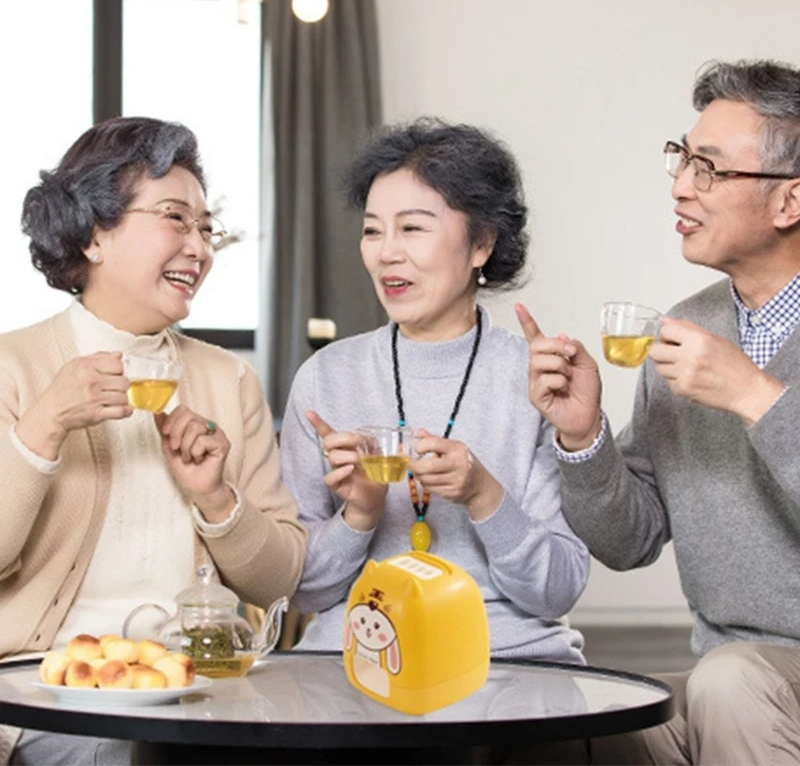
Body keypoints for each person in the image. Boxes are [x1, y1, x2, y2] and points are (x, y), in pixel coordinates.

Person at [518, 58, 800, 764]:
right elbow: (630, 541)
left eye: (710, 168)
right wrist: (583, 437)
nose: (680, 185)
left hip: (742, 685)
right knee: (567, 721)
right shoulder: (687, 328)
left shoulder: (714, 362)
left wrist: (752, 395)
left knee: (728, 684)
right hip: (729, 681)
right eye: (682, 158)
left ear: (789, 201)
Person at [0, 116, 306, 765]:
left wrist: (217, 500)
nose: (199, 248)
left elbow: (279, 582)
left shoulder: (228, 380)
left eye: (205, 228)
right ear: (93, 234)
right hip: (46, 691)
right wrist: (41, 429)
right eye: (174, 219)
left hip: (198, 688)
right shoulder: (14, 368)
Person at [280, 117, 589, 665]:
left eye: (412, 228)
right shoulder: (325, 378)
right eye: (372, 231)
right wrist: (360, 515)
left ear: (482, 243)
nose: (386, 253)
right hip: (359, 662)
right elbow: (304, 591)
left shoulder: (540, 382)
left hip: (502, 663)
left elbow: (557, 590)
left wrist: (484, 496)